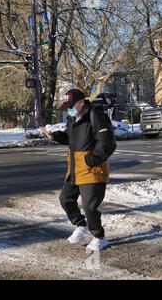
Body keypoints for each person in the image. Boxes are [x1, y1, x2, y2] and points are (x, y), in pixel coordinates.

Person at [41, 89, 116, 251]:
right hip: (75, 168)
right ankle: (81, 225)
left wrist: (92, 159)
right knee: (65, 199)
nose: (69, 110)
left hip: (92, 169)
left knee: (89, 206)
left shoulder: (96, 115)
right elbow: (70, 137)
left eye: (71, 106)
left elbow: (107, 143)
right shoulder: (73, 118)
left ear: (81, 103)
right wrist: (54, 136)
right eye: (67, 107)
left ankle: (99, 237)